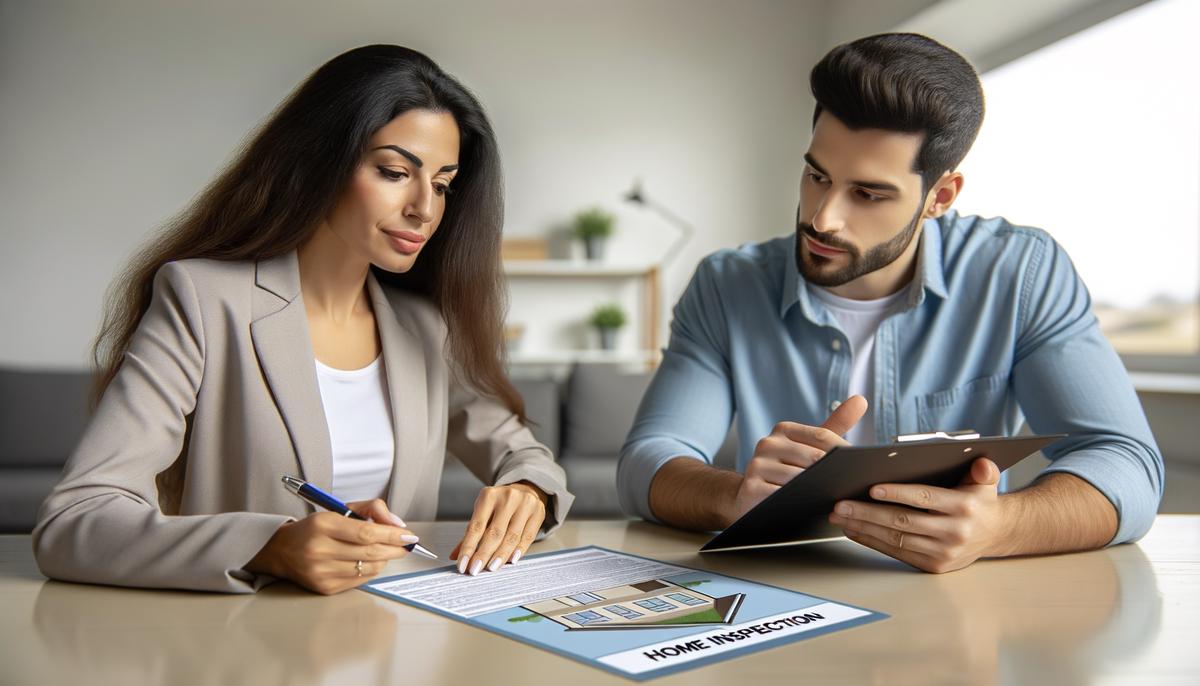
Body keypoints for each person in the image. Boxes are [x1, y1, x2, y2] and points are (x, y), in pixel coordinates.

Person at [33, 45, 573, 594]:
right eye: (393, 172)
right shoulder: (202, 299)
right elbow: (75, 519)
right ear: (322, 163)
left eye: (441, 185)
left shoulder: (425, 327)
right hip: (248, 647)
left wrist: (527, 490)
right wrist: (269, 547)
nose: (424, 209)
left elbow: (521, 452)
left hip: (405, 637)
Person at [618, 33, 1163, 573]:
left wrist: (1000, 526)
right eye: (817, 175)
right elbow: (648, 459)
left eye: (868, 193)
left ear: (939, 197)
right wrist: (734, 496)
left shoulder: (1020, 273)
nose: (822, 217)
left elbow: (1127, 463)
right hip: (787, 597)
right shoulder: (726, 283)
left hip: (961, 612)